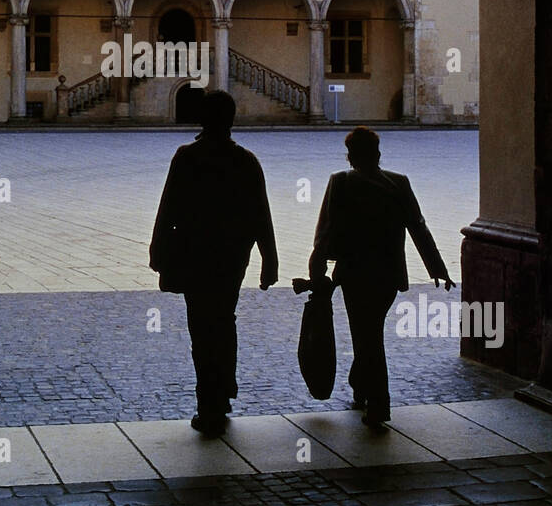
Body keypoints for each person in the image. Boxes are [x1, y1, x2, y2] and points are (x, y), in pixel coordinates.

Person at [149, 90, 278, 436]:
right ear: (231, 120)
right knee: (224, 320)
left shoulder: (188, 156)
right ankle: (223, 393)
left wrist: (157, 250)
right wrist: (270, 259)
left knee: (202, 328)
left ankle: (209, 401)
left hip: (195, 253)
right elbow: (260, 214)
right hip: (232, 255)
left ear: (203, 120)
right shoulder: (246, 160)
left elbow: (169, 206)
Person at [308, 125, 453, 428]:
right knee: (370, 332)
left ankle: (378, 403)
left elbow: (325, 230)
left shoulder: (340, 183)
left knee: (367, 336)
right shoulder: (398, 183)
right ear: (378, 153)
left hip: (353, 272)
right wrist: (437, 267)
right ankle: (361, 387)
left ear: (350, 156)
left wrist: (317, 269)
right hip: (387, 275)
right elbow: (418, 227)